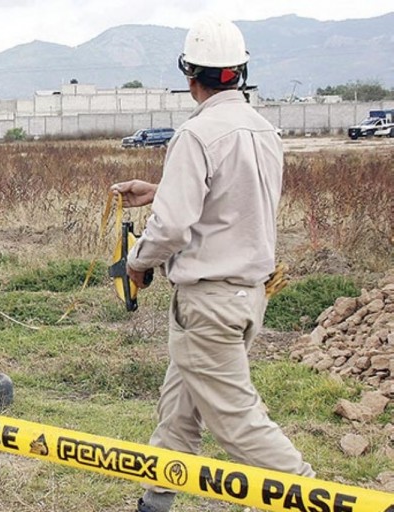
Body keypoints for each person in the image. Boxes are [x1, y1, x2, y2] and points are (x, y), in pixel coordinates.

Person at [110, 17, 314, 512]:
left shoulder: (196, 135)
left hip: (208, 303)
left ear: (189, 74)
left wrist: (137, 262)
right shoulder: (264, 131)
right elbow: (235, 198)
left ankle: (320, 498)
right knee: (179, 409)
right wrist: (160, 192)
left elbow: (174, 228)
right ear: (239, 73)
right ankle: (156, 500)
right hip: (246, 298)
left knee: (238, 422)